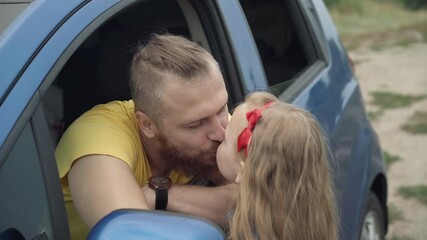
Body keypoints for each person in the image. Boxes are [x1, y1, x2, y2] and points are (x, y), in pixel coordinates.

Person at [55, 33, 235, 239]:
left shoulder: (210, 120)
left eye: (222, 108)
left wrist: (163, 195)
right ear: (147, 125)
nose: (221, 133)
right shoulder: (96, 138)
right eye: (195, 124)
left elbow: (256, 203)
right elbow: (131, 235)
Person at [216, 91, 338, 240]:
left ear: (243, 167)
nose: (218, 135)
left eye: (225, 141)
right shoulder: (309, 220)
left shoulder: (249, 232)